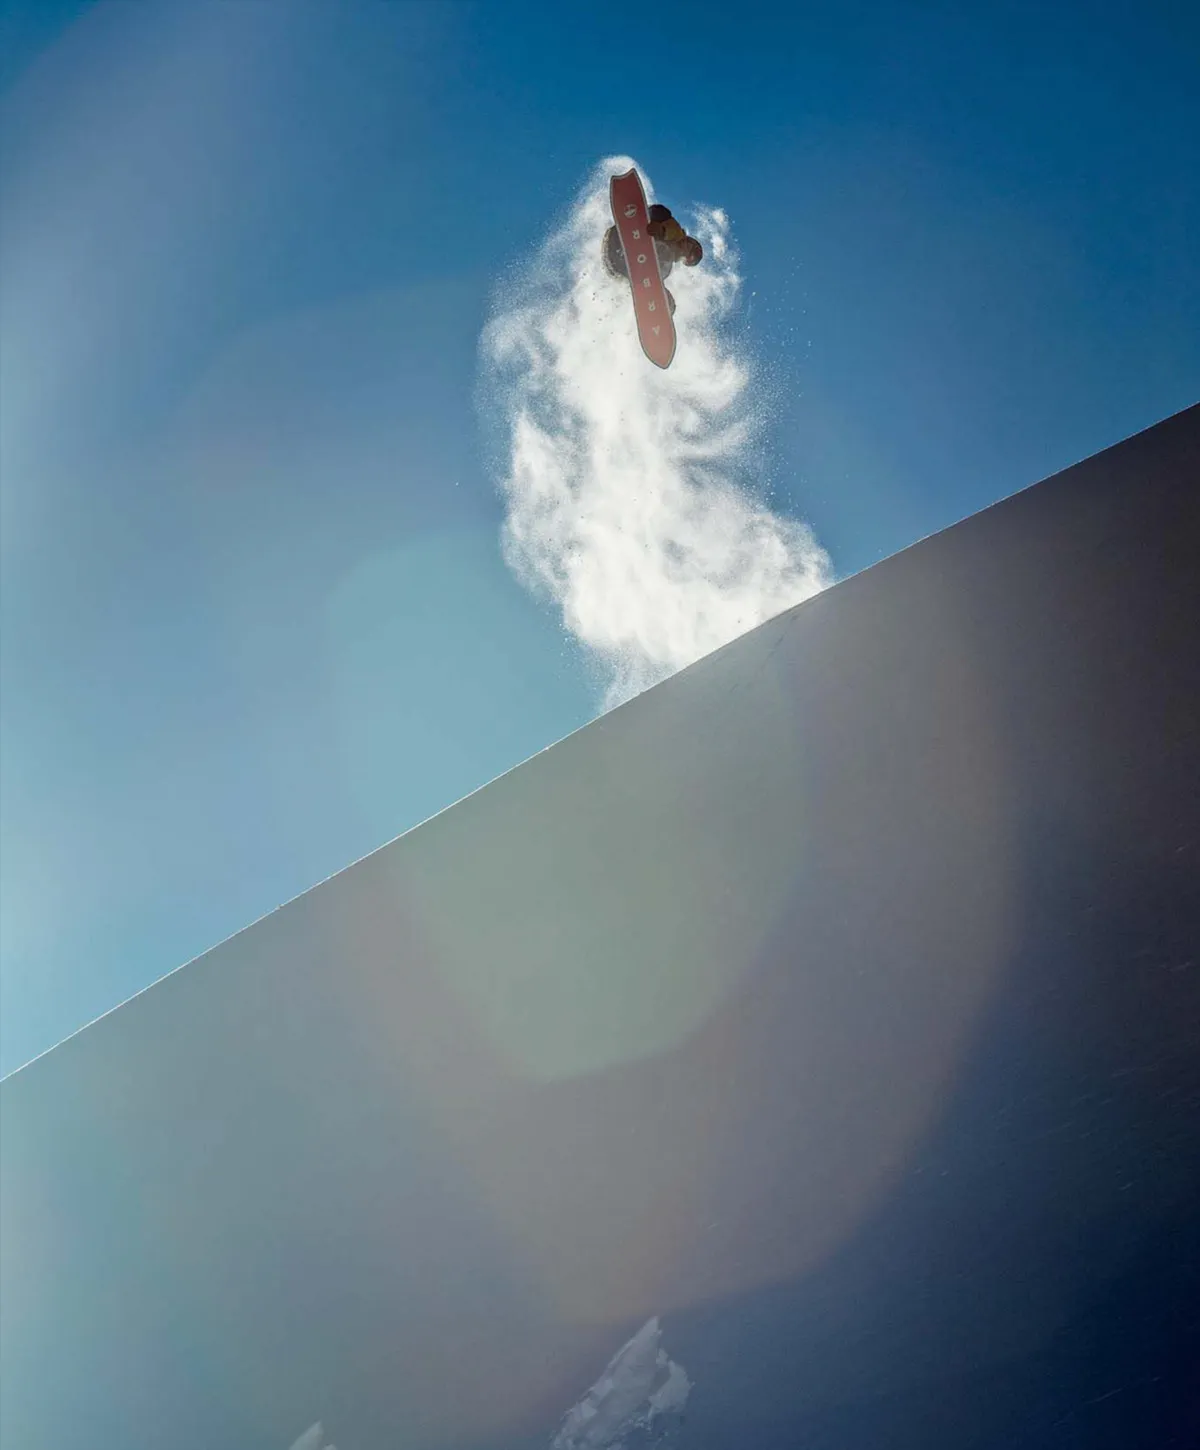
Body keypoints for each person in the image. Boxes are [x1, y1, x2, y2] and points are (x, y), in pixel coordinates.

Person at [602, 203, 702, 315]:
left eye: (689, 258)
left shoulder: (666, 268)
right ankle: (636, 225)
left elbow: (649, 281)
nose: (686, 250)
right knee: (669, 243)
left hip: (615, 266)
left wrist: (664, 300)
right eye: (690, 246)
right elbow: (657, 210)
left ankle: (659, 307)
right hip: (619, 239)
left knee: (661, 278)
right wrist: (662, 230)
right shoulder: (675, 232)